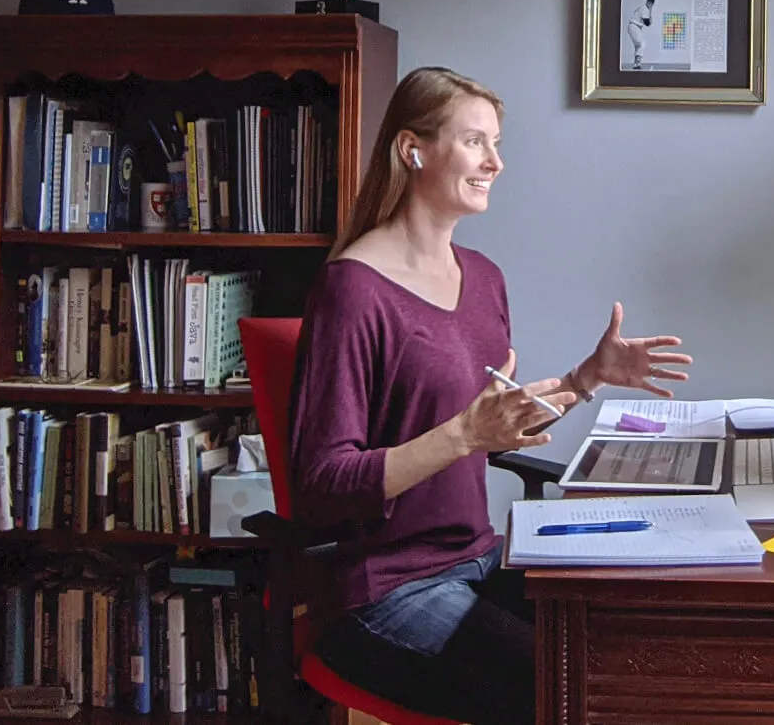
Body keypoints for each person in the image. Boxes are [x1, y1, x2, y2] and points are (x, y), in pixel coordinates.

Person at [288, 66, 692, 724]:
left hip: (477, 556)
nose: (496, 162)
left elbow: (495, 419)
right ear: (412, 148)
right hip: (384, 588)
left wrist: (586, 377)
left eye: (497, 144)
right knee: (569, 690)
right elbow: (322, 480)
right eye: (475, 141)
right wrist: (461, 436)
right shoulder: (353, 289)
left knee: (628, 649)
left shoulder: (483, 277)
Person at [626, 0, 654, 69]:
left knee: (638, 46)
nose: (650, 4)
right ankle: (637, 63)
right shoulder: (645, 9)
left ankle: (636, 64)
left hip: (633, 27)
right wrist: (650, 18)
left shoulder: (642, 7)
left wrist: (649, 16)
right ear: (648, 2)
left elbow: (646, 21)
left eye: (651, 3)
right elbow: (647, 23)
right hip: (634, 26)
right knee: (642, 43)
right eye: (649, 2)